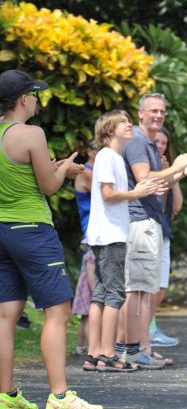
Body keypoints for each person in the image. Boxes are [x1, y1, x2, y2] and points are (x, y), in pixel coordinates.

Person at [0, 69, 100, 408]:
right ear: (23, 99)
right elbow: (48, 186)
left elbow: (24, 173)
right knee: (57, 310)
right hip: (32, 229)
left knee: (6, 314)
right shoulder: (31, 134)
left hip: (2, 231)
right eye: (35, 95)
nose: (39, 101)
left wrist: (53, 168)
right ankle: (60, 396)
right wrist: (66, 170)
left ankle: (6, 395)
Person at [116, 93, 187, 370]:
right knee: (136, 291)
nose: (158, 115)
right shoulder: (139, 141)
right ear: (140, 113)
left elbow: (158, 183)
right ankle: (130, 350)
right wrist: (176, 166)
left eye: (162, 111)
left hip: (152, 224)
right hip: (140, 222)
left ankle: (141, 347)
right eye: (153, 110)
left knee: (145, 293)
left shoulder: (150, 144)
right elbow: (143, 178)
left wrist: (181, 173)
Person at [84, 110, 166, 373]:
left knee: (101, 294)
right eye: (123, 122)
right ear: (109, 130)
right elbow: (108, 194)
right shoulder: (108, 156)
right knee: (114, 295)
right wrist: (136, 192)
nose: (129, 124)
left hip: (106, 233)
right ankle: (107, 354)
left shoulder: (113, 157)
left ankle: (94, 352)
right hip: (111, 235)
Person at [149, 127, 183, 349]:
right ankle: (146, 332)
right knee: (147, 286)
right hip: (147, 231)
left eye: (164, 143)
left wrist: (174, 175)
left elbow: (176, 207)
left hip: (164, 232)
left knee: (161, 285)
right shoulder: (143, 170)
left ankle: (150, 329)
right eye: (157, 142)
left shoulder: (167, 170)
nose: (160, 146)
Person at [72, 141, 97, 356]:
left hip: (94, 238)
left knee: (89, 303)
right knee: (94, 297)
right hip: (92, 238)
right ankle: (91, 349)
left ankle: (84, 347)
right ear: (90, 151)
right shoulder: (86, 173)